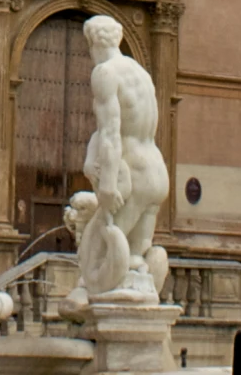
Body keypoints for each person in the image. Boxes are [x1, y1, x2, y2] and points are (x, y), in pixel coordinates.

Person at [81, 17, 168, 300]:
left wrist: (107, 185)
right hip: (156, 171)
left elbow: (110, 133)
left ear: (92, 43)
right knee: (135, 258)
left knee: (100, 256)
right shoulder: (141, 73)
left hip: (133, 174)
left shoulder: (105, 73)